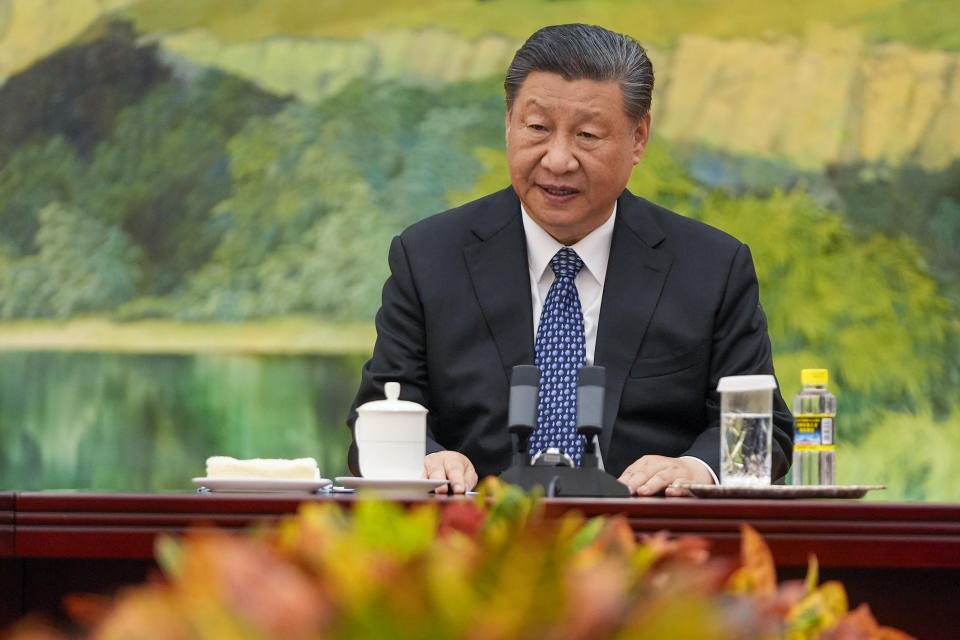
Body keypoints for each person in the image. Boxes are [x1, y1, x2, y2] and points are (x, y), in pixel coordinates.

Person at [347, 23, 793, 495]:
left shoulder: (711, 267)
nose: (558, 160)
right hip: (477, 544)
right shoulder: (429, 257)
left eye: (587, 135)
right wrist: (427, 458)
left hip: (648, 544)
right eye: (537, 128)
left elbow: (765, 433)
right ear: (508, 123)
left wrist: (694, 469)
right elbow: (377, 415)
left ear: (638, 138)